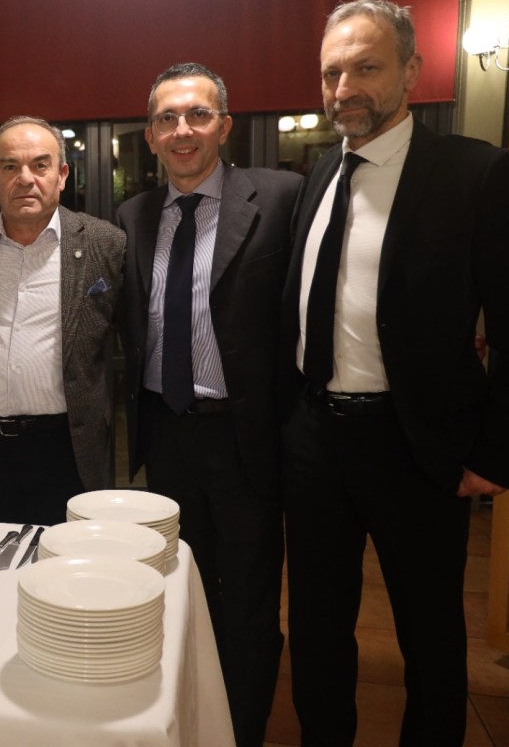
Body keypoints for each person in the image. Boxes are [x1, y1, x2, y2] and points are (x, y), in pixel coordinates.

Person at [280, 0, 509, 745]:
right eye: (331, 73)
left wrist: (495, 452)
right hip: (316, 441)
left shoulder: (476, 174)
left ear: (412, 71)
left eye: (366, 68)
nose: (344, 88)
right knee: (316, 625)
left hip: (416, 446)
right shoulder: (318, 176)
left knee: (430, 633)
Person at [114, 63, 302, 747]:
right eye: (167, 119)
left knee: (248, 599)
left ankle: (241, 730)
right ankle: (189, 720)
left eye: (197, 115)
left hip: (244, 438)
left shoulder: (280, 198)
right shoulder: (133, 216)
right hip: (165, 437)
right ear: (150, 136)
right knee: (177, 592)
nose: (182, 130)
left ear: (225, 124)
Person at [0, 116, 124, 525]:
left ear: (62, 175)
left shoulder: (105, 243)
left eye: (40, 165)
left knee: (70, 556)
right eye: (10, 166)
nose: (25, 178)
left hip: (69, 445)